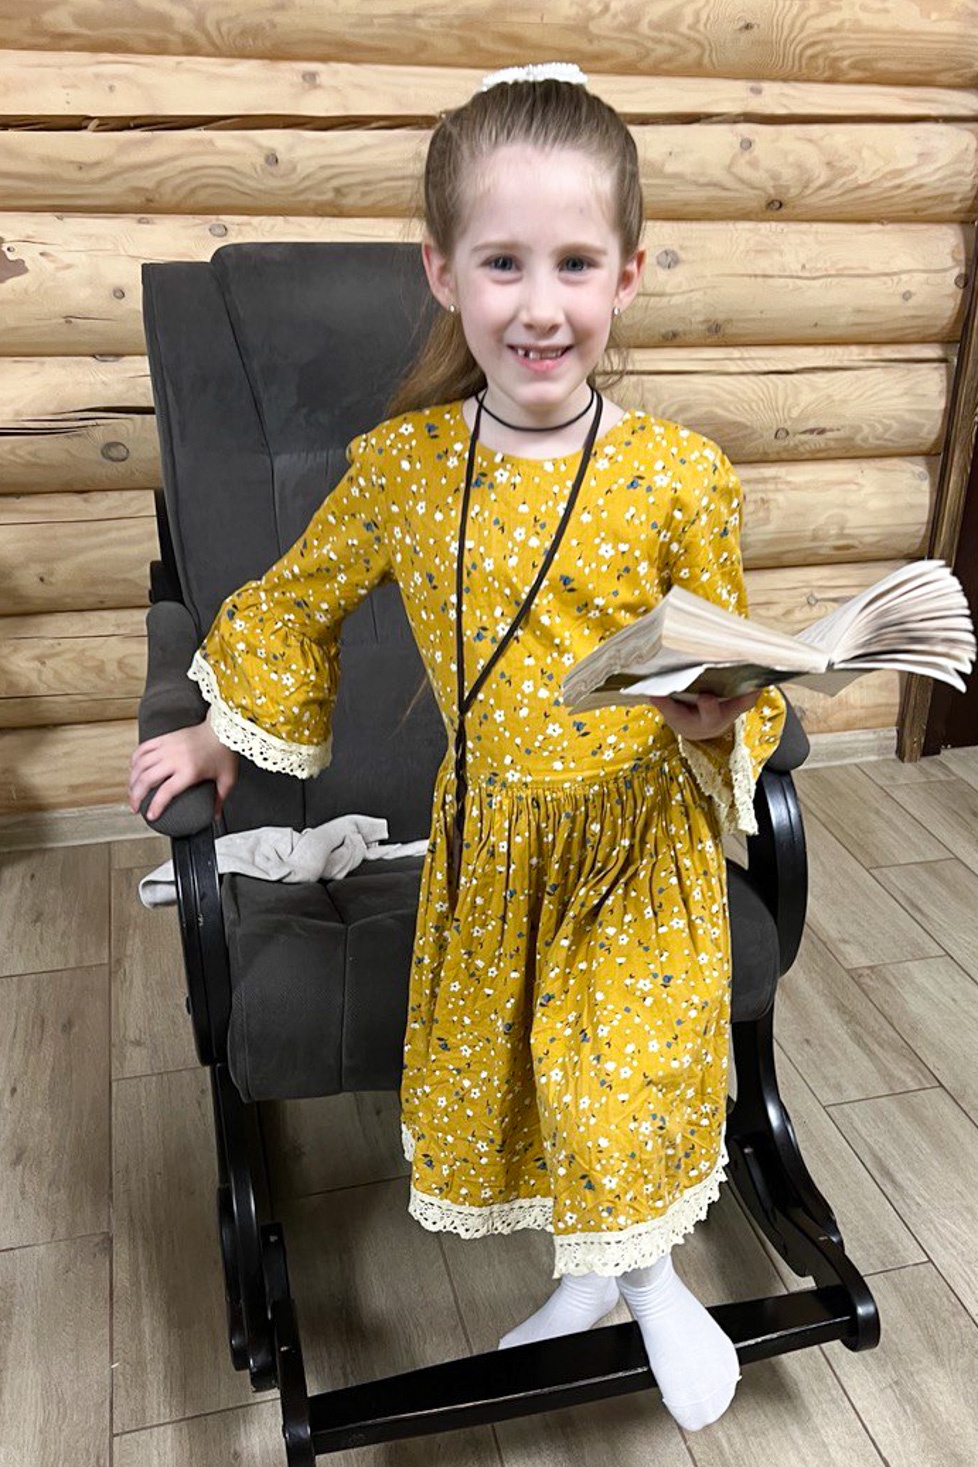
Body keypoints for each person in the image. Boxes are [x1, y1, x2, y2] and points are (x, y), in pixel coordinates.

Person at [129, 63, 786, 1432]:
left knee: (612, 1078)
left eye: (575, 264)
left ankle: (648, 1281)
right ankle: (593, 1278)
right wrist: (218, 729)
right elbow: (296, 600)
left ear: (627, 275)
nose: (540, 306)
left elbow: (727, 652)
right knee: (527, 1081)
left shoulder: (681, 476)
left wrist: (726, 712)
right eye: (502, 263)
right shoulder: (406, 470)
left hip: (635, 840)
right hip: (492, 843)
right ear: (442, 273)